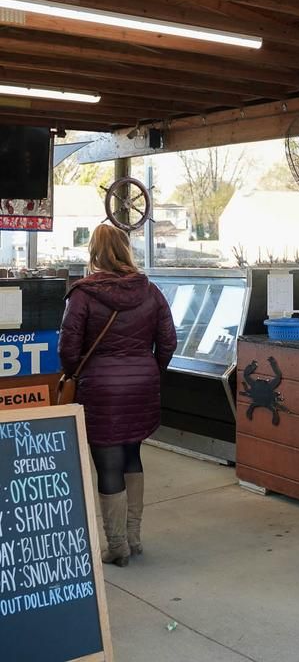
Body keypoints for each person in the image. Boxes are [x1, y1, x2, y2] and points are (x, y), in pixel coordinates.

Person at [58, 224, 177, 567]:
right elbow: (168, 340)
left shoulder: (82, 294)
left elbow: (68, 347)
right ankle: (134, 537)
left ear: (94, 252)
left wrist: (76, 371)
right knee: (131, 455)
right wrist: (151, 369)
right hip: (141, 382)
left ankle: (117, 545)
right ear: (126, 250)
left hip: (100, 387)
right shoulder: (150, 291)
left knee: (107, 463)